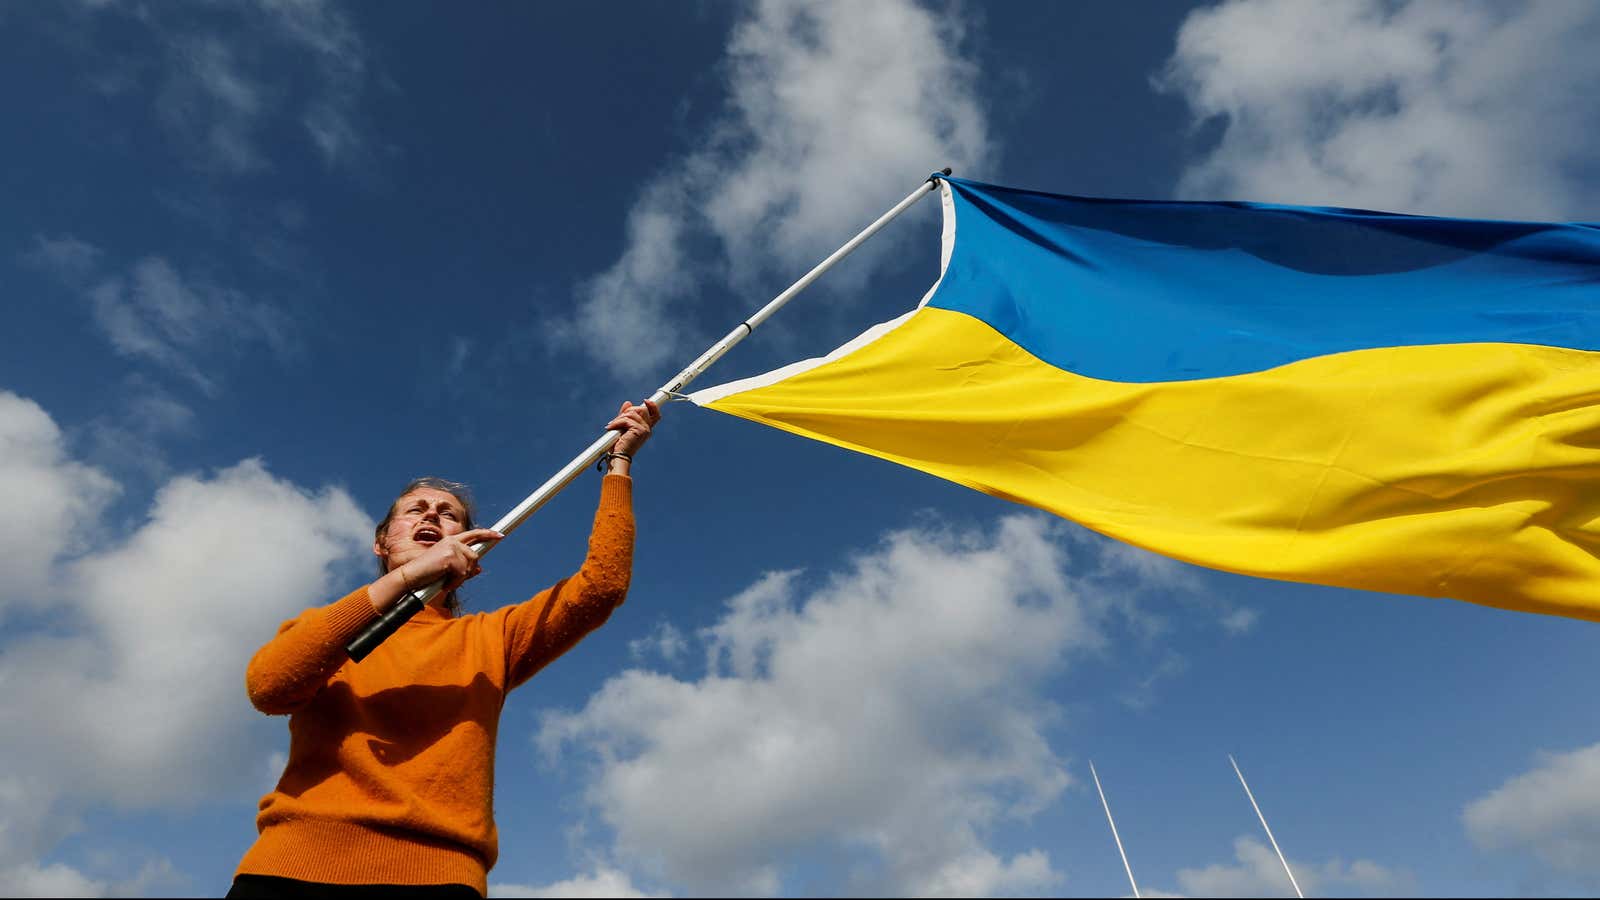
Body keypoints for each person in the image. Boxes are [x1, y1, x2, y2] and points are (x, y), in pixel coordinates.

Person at [227, 400, 662, 899]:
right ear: (382, 543)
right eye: (415, 509)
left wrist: (619, 465)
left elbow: (601, 588)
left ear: (470, 544)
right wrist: (410, 577)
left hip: (438, 877)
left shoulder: (493, 638)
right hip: (292, 871)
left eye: (448, 515)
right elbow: (269, 687)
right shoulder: (324, 628)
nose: (432, 514)